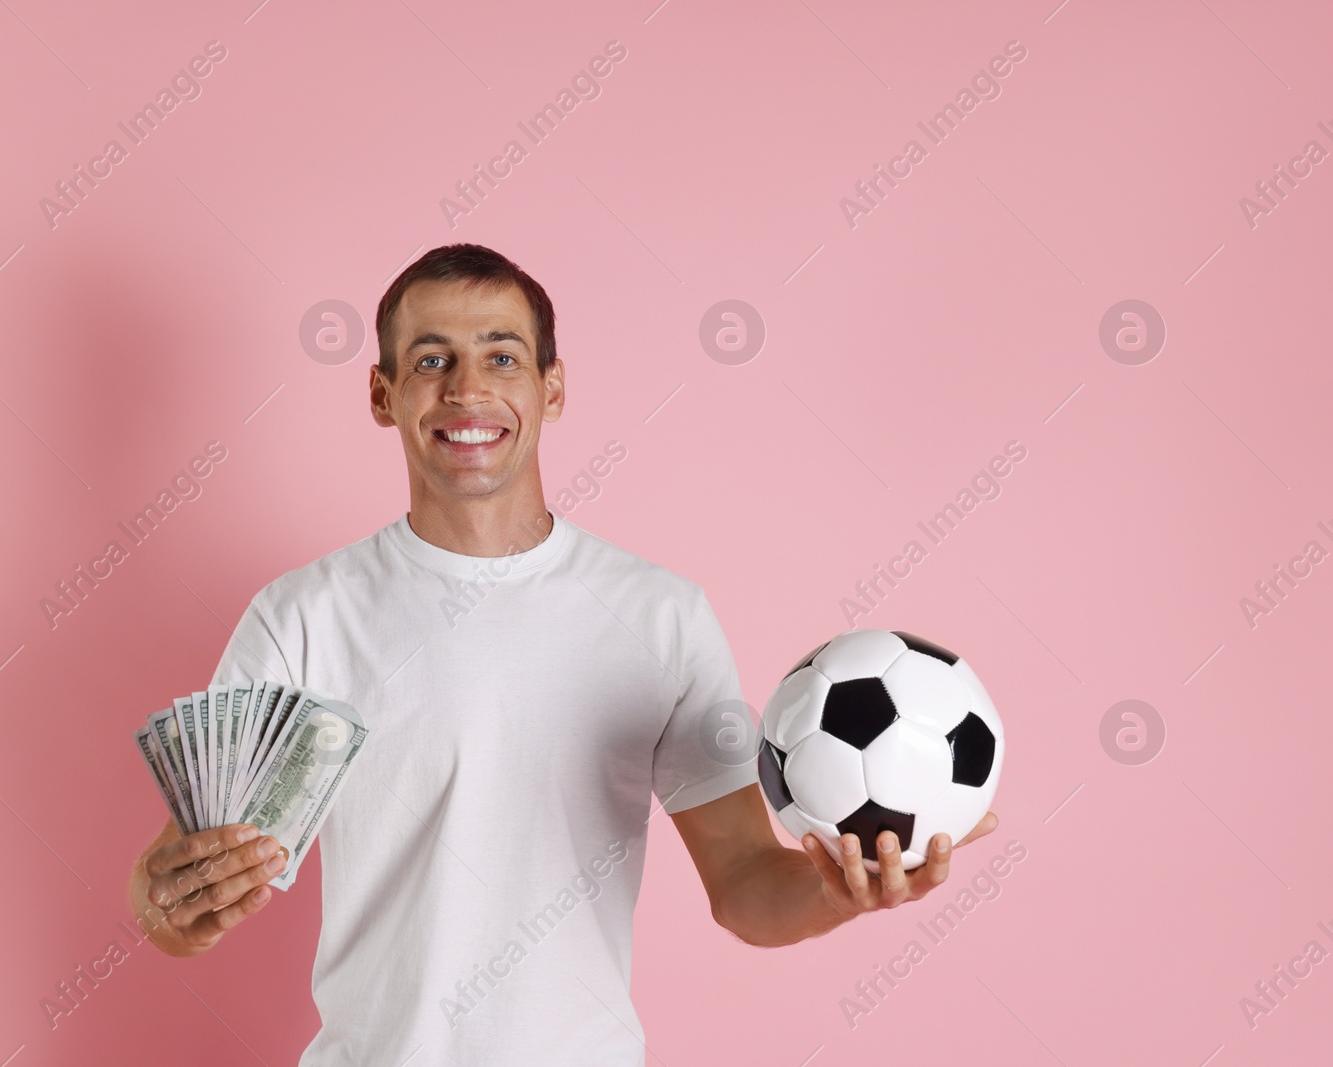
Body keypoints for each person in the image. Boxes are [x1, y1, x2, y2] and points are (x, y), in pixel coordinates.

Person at [126, 243, 998, 1065]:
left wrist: (839, 894)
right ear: (383, 394)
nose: (468, 389)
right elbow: (184, 892)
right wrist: (163, 904)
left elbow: (743, 883)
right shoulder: (303, 619)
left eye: (501, 356)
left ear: (553, 387)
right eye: (431, 360)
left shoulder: (660, 615)